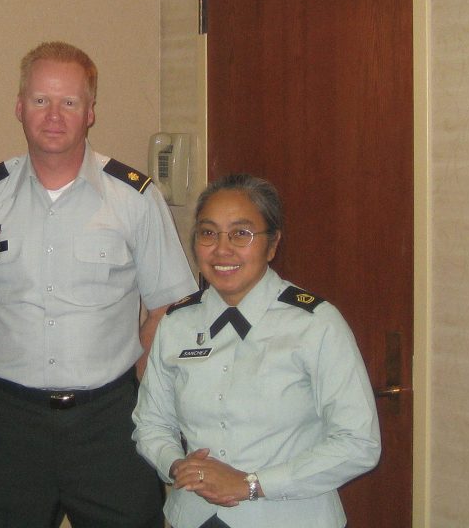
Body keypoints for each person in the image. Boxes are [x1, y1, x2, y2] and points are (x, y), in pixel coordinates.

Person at [0, 41, 198, 528]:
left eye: (69, 102)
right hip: (11, 423)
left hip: (111, 423)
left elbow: (169, 302)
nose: (54, 115)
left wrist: (135, 375)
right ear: (20, 107)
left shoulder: (134, 197)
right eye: (41, 100)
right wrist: (7, 356)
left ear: (90, 112)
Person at [132, 173, 381, 528]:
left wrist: (253, 484)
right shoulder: (177, 323)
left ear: (272, 244)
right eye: (208, 233)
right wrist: (176, 464)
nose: (222, 249)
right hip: (193, 516)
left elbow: (359, 443)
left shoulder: (315, 324)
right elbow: (151, 422)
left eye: (241, 234)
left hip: (290, 518)